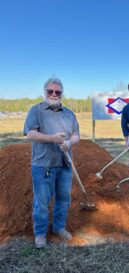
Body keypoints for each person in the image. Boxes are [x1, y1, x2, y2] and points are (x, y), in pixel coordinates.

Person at [24, 77, 80, 248]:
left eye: (58, 92)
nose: (54, 94)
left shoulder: (69, 113)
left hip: (64, 164)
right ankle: (40, 234)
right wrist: (52, 138)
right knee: (41, 202)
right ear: (45, 92)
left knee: (63, 199)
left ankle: (58, 228)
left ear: (61, 94)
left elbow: (76, 135)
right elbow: (30, 134)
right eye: (50, 91)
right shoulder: (36, 110)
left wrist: (69, 143)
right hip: (43, 165)